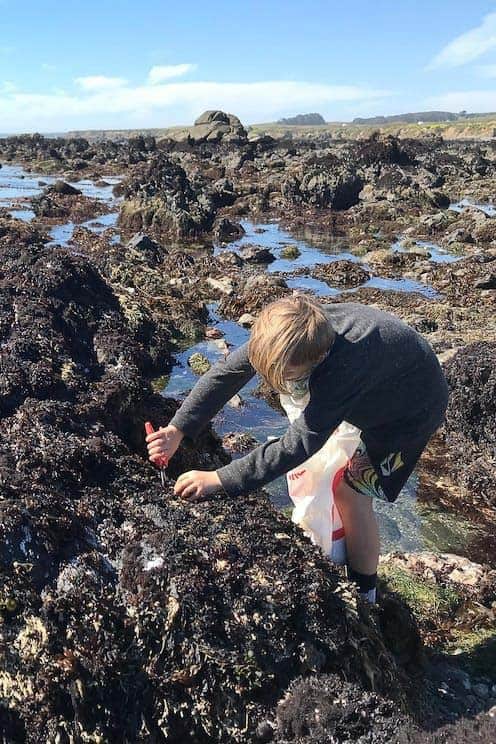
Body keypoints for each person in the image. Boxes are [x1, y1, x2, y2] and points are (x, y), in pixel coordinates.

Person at [146, 295, 449, 603]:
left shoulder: (340, 371)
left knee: (351, 492)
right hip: (382, 376)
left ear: (317, 360)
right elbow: (225, 374)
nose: (277, 383)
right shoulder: (282, 336)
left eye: (288, 378)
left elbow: (299, 444)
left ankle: (365, 591)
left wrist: (221, 479)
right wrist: (177, 429)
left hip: (410, 410)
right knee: (334, 467)